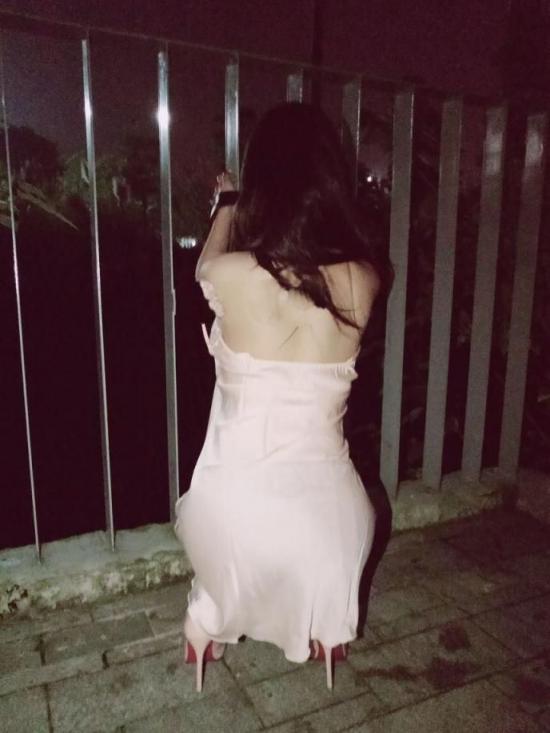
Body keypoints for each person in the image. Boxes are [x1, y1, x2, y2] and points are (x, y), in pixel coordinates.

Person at [174, 102, 389, 693]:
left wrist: (227, 203)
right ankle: (327, 623)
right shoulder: (367, 278)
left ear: (261, 185)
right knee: (333, 512)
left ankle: (206, 621)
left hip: (234, 524)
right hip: (334, 530)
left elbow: (205, 265)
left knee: (219, 515)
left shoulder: (229, 274)